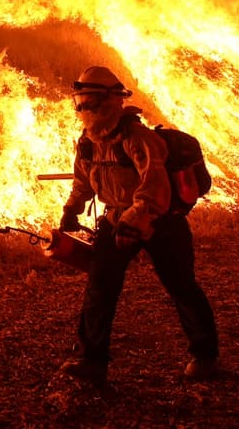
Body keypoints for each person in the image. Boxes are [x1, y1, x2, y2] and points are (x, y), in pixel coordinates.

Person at [56, 65, 219, 386]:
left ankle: (205, 356)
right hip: (116, 220)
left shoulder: (138, 139)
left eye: (91, 100)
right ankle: (91, 361)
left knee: (181, 286)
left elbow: (155, 187)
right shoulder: (88, 142)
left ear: (111, 100)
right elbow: (83, 182)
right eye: (81, 101)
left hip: (162, 222)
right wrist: (71, 210)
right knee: (100, 288)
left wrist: (135, 220)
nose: (85, 108)